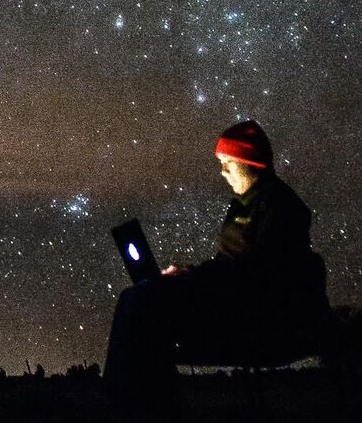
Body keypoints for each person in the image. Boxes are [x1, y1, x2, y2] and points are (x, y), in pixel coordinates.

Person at [103, 119, 331, 401]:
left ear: (251, 162)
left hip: (250, 313)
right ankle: (140, 402)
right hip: (227, 299)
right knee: (139, 298)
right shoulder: (243, 204)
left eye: (228, 162)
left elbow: (256, 274)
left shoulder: (282, 208)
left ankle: (130, 404)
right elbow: (230, 264)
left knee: (141, 302)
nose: (223, 171)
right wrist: (190, 272)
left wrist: (196, 281)